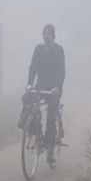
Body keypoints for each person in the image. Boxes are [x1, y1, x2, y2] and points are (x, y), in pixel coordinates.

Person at [25, 23, 65, 165]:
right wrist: (29, 84)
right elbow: (33, 67)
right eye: (45, 33)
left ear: (53, 36)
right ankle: (31, 129)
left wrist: (57, 87)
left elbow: (61, 72)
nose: (46, 35)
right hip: (40, 85)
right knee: (27, 100)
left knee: (51, 117)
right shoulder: (38, 50)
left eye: (49, 33)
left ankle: (50, 149)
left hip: (53, 89)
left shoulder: (58, 50)